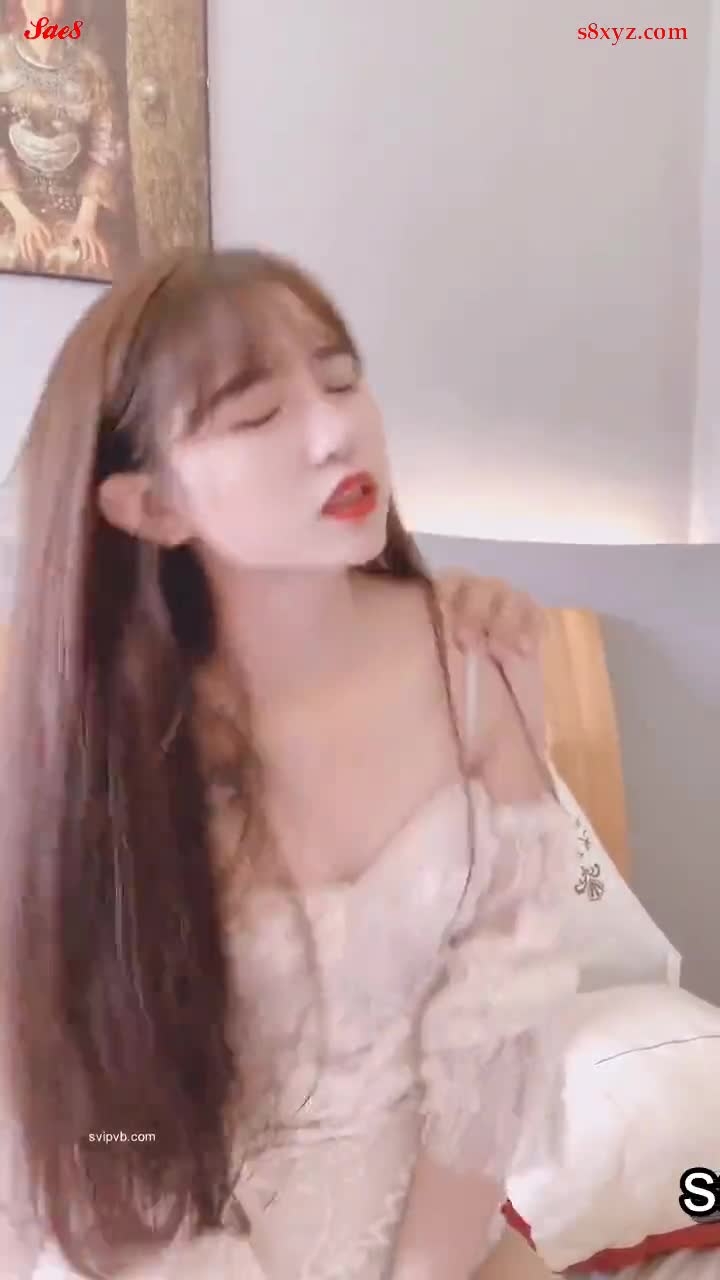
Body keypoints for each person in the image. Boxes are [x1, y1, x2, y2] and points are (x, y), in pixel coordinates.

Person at [0, 247, 581, 1280]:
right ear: (152, 507)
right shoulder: (82, 743)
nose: (333, 432)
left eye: (342, 379)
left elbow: (501, 1026)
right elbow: (77, 1116)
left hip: (439, 1247)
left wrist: (425, 1272)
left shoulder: (479, 661)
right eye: (257, 414)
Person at [0, 0, 123, 277]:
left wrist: (86, 221)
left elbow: (108, 146)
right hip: (10, 205)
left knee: (87, 260)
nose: (45, 6)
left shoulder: (90, 66)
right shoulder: (2, 57)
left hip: (74, 205)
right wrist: (21, 215)